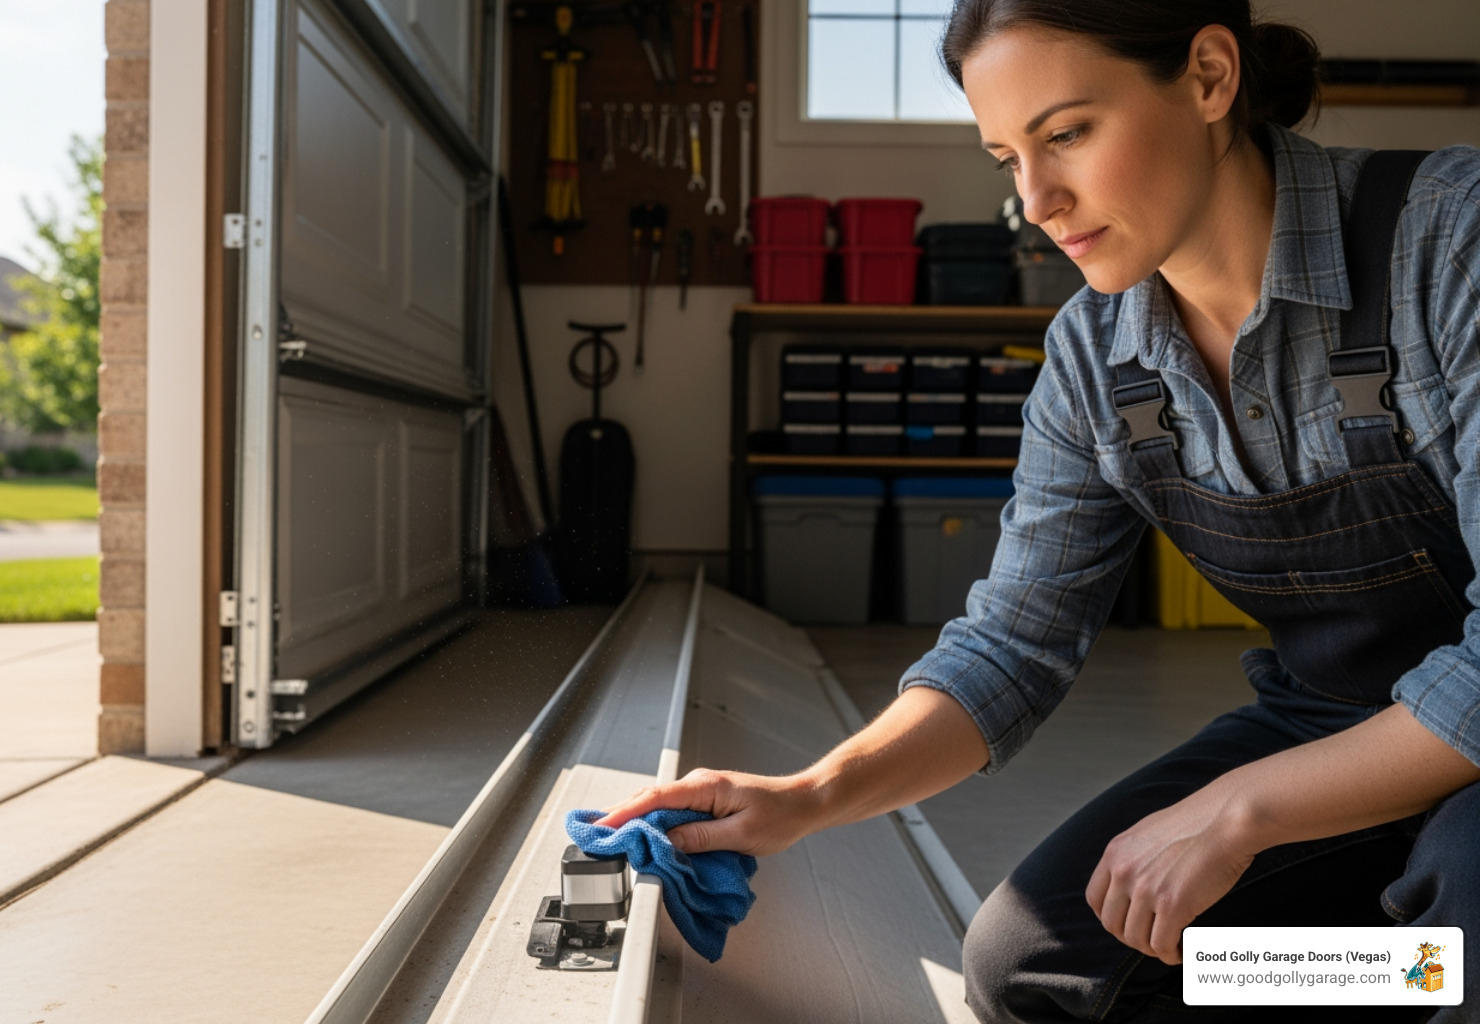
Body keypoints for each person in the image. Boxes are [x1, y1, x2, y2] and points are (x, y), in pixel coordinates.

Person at [599, 1, 1480, 1020]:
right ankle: (1394, 981)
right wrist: (808, 797)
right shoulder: (1094, 360)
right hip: (1332, 721)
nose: (1038, 199)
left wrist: (1242, 808)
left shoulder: (1449, 241)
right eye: (1006, 157)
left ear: (1206, 76)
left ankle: (1437, 966)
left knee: (1469, 918)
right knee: (1040, 965)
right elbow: (1015, 644)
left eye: (1067, 134)